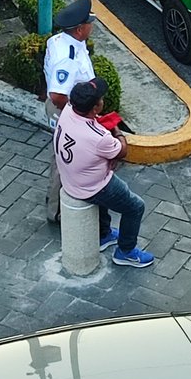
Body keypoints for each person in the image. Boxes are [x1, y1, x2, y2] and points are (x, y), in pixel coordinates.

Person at [54, 77, 154, 268]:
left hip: (70, 179)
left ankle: (104, 234)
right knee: (135, 207)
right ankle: (126, 251)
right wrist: (117, 130)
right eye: (100, 99)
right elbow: (122, 150)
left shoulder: (68, 110)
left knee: (107, 201)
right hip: (91, 187)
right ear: (95, 108)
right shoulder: (100, 138)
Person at [43, 0, 97, 223]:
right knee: (63, 159)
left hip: (71, 108)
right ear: (78, 29)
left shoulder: (63, 41)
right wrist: (79, 113)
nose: (92, 26)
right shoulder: (68, 57)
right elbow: (57, 96)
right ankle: (56, 210)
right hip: (64, 111)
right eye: (89, 23)